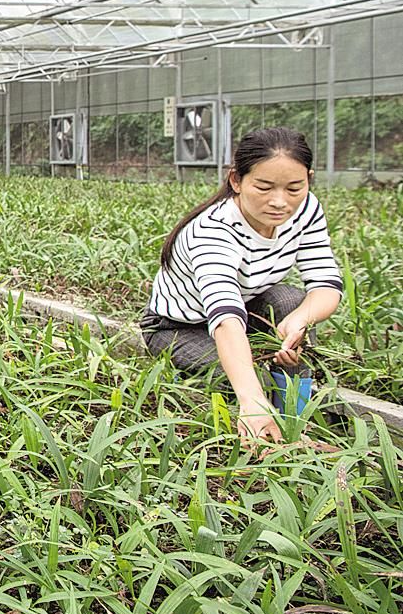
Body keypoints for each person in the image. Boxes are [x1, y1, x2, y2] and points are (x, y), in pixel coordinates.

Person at [141, 127, 342, 444]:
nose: (280, 202)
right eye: (263, 187)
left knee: (292, 302)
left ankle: (296, 418)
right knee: (253, 381)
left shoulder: (306, 209)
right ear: (236, 180)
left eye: (294, 188)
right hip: (178, 327)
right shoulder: (212, 231)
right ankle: (272, 429)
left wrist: (301, 320)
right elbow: (225, 317)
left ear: (308, 179)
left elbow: (326, 282)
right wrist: (252, 400)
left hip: (246, 309)